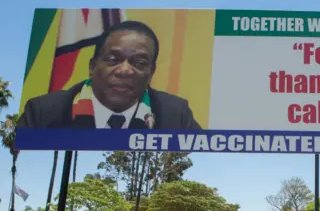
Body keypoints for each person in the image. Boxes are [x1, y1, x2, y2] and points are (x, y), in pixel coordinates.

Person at [17, 20, 201, 130]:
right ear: (92, 66)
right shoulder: (42, 112)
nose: (124, 70)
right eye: (113, 59)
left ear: (151, 73)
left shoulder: (176, 115)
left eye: (139, 63)